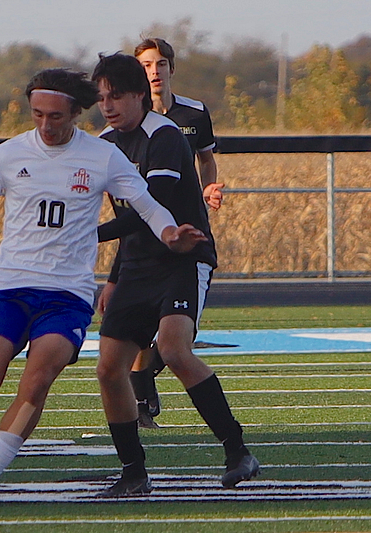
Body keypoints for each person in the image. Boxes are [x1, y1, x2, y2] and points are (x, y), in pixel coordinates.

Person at [0, 68, 206, 509]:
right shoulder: (9, 154)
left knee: (37, 382)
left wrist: (171, 234)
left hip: (67, 296)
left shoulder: (102, 156)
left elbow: (148, 205)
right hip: (9, 287)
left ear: (76, 113)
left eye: (56, 116)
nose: (45, 124)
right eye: (37, 114)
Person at [91, 53, 259, 497]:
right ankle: (134, 473)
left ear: (139, 95)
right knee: (109, 368)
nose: (107, 106)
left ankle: (237, 449)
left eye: (116, 96)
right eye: (102, 97)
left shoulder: (163, 135)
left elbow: (154, 205)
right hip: (137, 264)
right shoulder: (103, 143)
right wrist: (114, 277)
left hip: (183, 257)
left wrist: (89, 234)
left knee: (173, 348)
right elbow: (124, 217)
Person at [130, 37, 226, 428]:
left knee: (177, 338)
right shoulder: (125, 123)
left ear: (171, 68)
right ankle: (140, 404)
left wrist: (208, 189)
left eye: (160, 64)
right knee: (136, 330)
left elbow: (206, 159)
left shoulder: (194, 113)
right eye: (145, 66)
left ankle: (142, 381)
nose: (154, 72)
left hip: (189, 237)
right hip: (145, 239)